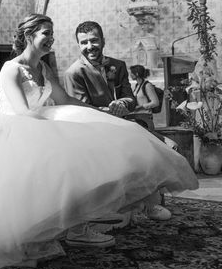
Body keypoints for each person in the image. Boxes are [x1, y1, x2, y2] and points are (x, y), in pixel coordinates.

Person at [0, 14, 198, 269]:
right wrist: (60, 128)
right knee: (70, 156)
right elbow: (22, 111)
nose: (51, 38)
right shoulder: (11, 69)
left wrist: (97, 112)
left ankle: (87, 222)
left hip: (40, 122)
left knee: (106, 135)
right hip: (17, 131)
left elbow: (65, 100)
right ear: (29, 36)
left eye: (51, 32)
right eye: (45, 33)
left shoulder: (43, 68)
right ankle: (71, 227)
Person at [65, 20, 173, 220]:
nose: (90, 46)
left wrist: (123, 103)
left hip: (122, 123)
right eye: (84, 42)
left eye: (94, 40)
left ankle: (150, 201)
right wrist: (109, 110)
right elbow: (80, 110)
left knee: (162, 145)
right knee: (136, 146)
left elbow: (131, 99)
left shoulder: (118, 65)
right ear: (78, 45)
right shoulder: (74, 72)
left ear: (103, 40)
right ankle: (146, 203)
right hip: (92, 129)